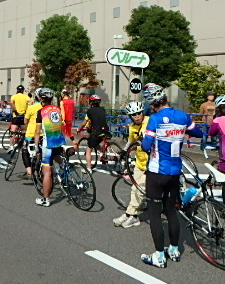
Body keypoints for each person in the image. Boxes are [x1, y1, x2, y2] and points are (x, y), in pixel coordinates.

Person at [140, 84, 203, 268]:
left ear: (153, 104)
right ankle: (174, 250)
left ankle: (159, 256)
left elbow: (146, 146)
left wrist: (144, 139)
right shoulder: (183, 116)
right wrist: (182, 132)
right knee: (171, 211)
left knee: (154, 214)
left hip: (157, 172)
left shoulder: (155, 118)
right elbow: (198, 132)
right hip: (175, 171)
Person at [113, 101, 149, 229]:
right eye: (133, 114)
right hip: (140, 162)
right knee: (135, 189)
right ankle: (132, 216)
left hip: (151, 163)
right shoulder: (132, 127)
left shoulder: (150, 122)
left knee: (138, 189)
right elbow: (130, 141)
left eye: (139, 113)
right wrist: (124, 151)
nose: (137, 116)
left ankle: (130, 214)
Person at [34, 88, 66, 207]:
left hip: (48, 144)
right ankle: (64, 169)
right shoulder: (57, 109)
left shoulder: (41, 111)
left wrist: (36, 147)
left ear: (41, 98)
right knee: (56, 155)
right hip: (59, 140)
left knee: (47, 172)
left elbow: (37, 132)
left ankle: (45, 199)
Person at [77, 94, 109, 171]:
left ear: (91, 102)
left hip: (97, 131)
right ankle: (102, 153)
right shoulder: (103, 109)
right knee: (96, 142)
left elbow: (84, 123)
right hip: (105, 130)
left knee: (89, 149)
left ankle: (88, 168)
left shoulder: (89, 111)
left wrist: (79, 128)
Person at [23, 90, 44, 178]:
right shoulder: (46, 107)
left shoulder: (31, 108)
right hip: (43, 134)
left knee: (25, 151)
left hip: (31, 134)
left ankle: (29, 171)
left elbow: (25, 121)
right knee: (41, 151)